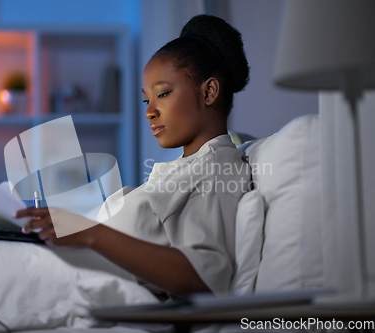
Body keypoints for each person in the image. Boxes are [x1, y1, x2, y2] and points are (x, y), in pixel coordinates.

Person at [15, 14, 251, 299]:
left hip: (78, 290)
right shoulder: (188, 167)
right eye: (146, 99)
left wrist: (90, 233)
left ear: (209, 91)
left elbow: (206, 276)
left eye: (162, 94)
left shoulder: (217, 167)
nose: (149, 111)